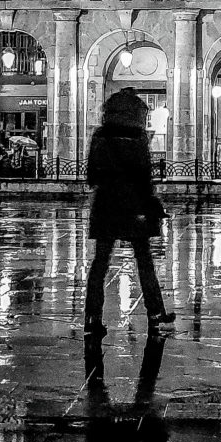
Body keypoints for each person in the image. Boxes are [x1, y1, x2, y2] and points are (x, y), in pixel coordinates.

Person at [84, 87, 175, 336]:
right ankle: (156, 313)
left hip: (105, 206)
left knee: (100, 263)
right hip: (133, 205)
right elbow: (144, 177)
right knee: (144, 261)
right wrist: (151, 204)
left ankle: (92, 317)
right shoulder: (137, 138)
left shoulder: (101, 136)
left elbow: (91, 175)